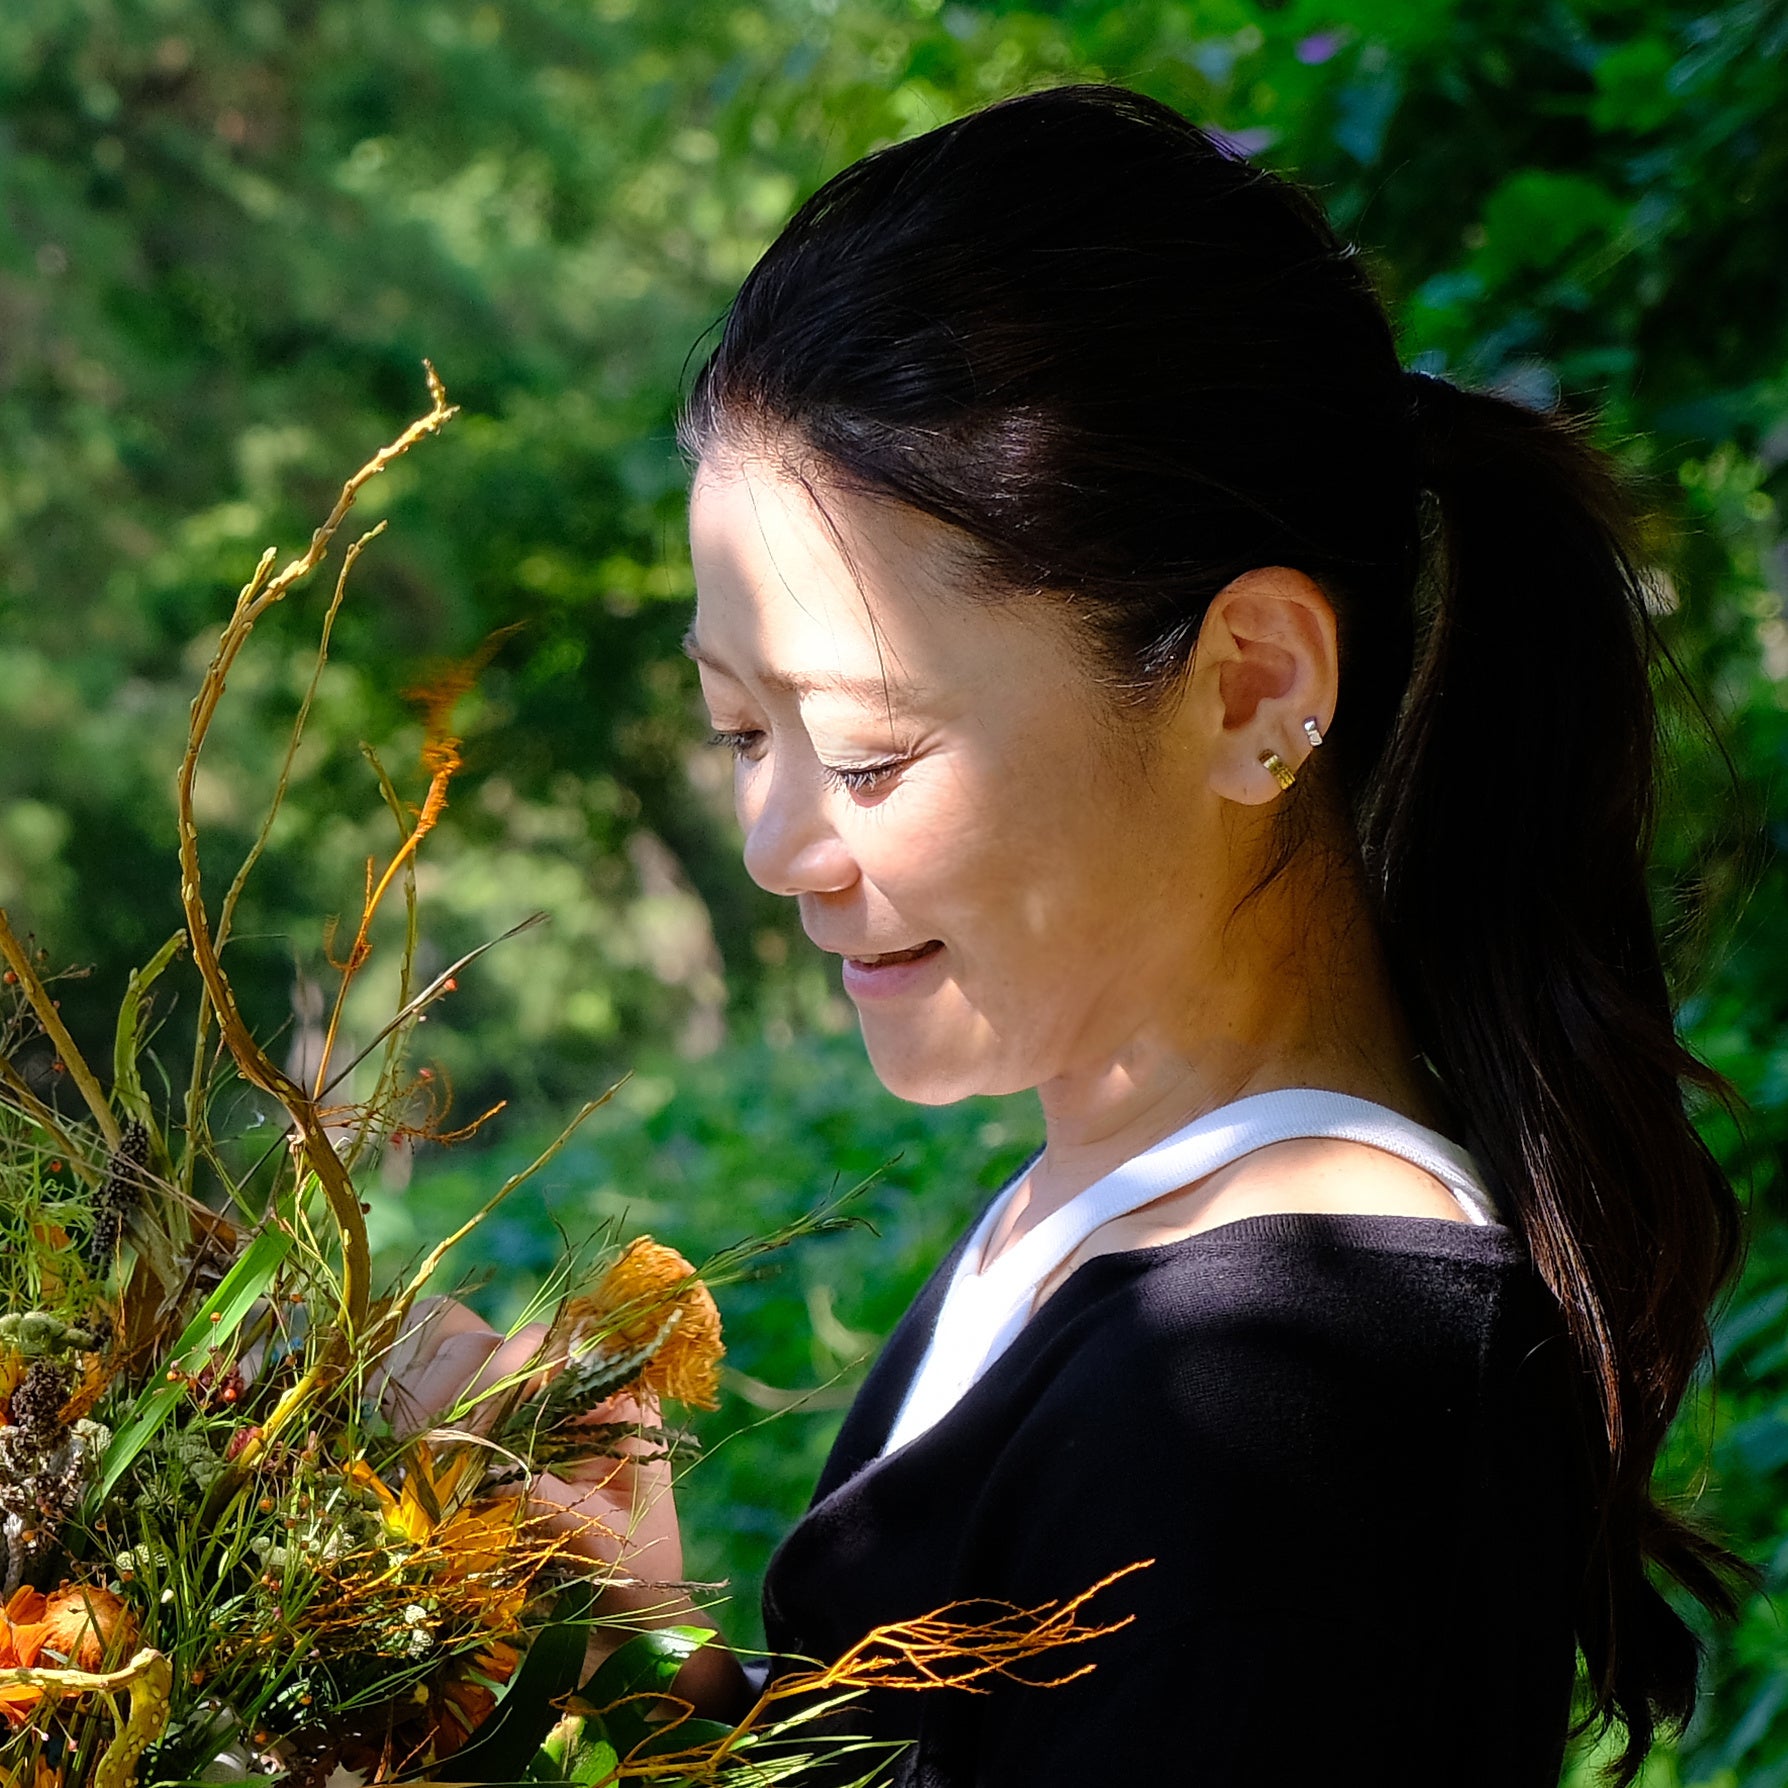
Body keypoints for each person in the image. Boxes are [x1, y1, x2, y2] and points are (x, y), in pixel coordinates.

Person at [527, 85, 1750, 1785]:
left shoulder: (1286, 1391)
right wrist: (611, 1633)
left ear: (1250, 689)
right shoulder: (1099, 1227)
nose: (776, 844)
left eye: (869, 753)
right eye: (744, 731)